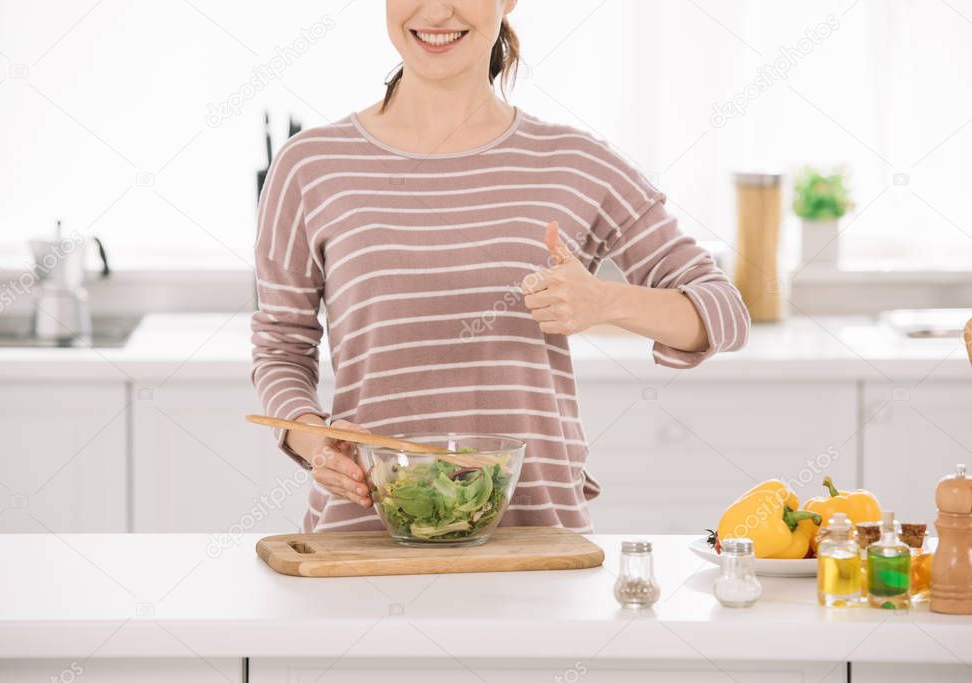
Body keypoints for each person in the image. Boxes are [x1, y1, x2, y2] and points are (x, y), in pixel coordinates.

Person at [251, 0, 750, 533]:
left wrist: (604, 303)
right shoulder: (310, 166)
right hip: (364, 538)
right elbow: (281, 345)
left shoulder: (573, 162)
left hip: (535, 538)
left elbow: (724, 313)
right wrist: (312, 437)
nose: (436, 11)